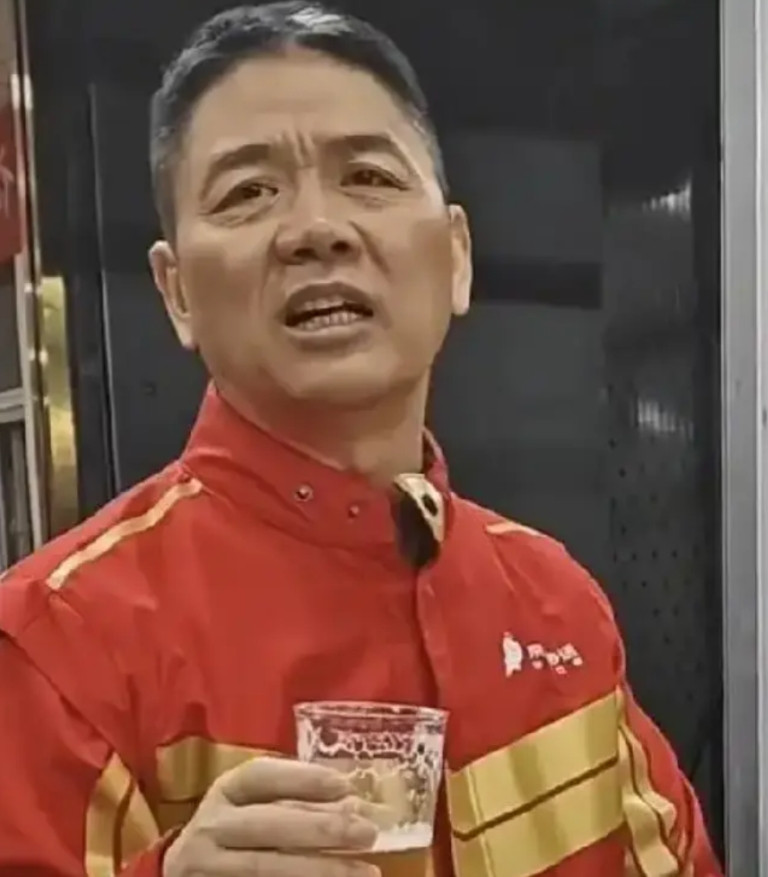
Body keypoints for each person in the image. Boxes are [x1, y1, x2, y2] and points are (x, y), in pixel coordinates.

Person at [0, 3, 722, 876]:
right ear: (176, 290)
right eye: (247, 192)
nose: (317, 230)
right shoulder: (57, 647)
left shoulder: (557, 605)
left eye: (369, 177)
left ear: (455, 256)